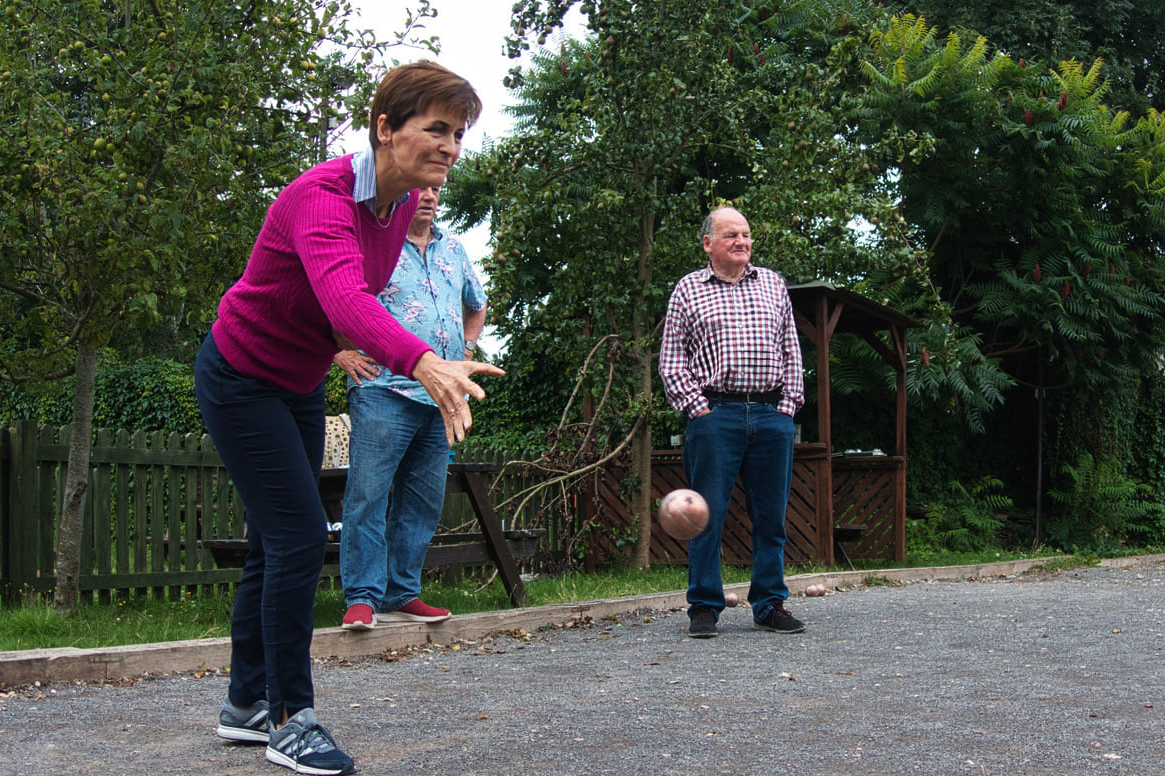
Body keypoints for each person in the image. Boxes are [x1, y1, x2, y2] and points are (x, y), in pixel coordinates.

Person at [194, 61, 502, 776]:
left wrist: (431, 350)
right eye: (435, 129)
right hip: (241, 376)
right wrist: (422, 361)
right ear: (385, 128)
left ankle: (245, 705)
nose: (450, 146)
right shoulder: (323, 197)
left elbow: (364, 304)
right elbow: (344, 302)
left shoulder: (398, 210)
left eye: (457, 133)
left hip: (296, 382)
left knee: (276, 543)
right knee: (300, 534)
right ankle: (289, 720)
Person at [333, 184, 487, 630]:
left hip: (441, 398)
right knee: (367, 496)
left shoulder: (455, 249)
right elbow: (335, 302)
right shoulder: (371, 244)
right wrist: (337, 352)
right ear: (400, 193)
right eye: (418, 188)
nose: (428, 195)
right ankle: (362, 597)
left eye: (436, 189)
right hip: (383, 388)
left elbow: (476, 306)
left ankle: (402, 592)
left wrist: (467, 348)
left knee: (422, 501)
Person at [658, 205, 806, 640]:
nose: (742, 241)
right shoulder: (688, 290)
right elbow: (672, 361)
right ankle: (704, 606)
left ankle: (770, 604)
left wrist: (788, 408)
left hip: (770, 414)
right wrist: (698, 410)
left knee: (771, 517)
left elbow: (791, 351)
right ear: (708, 244)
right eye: (730, 235)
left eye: (745, 234)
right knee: (704, 515)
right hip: (715, 415)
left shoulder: (774, 285)